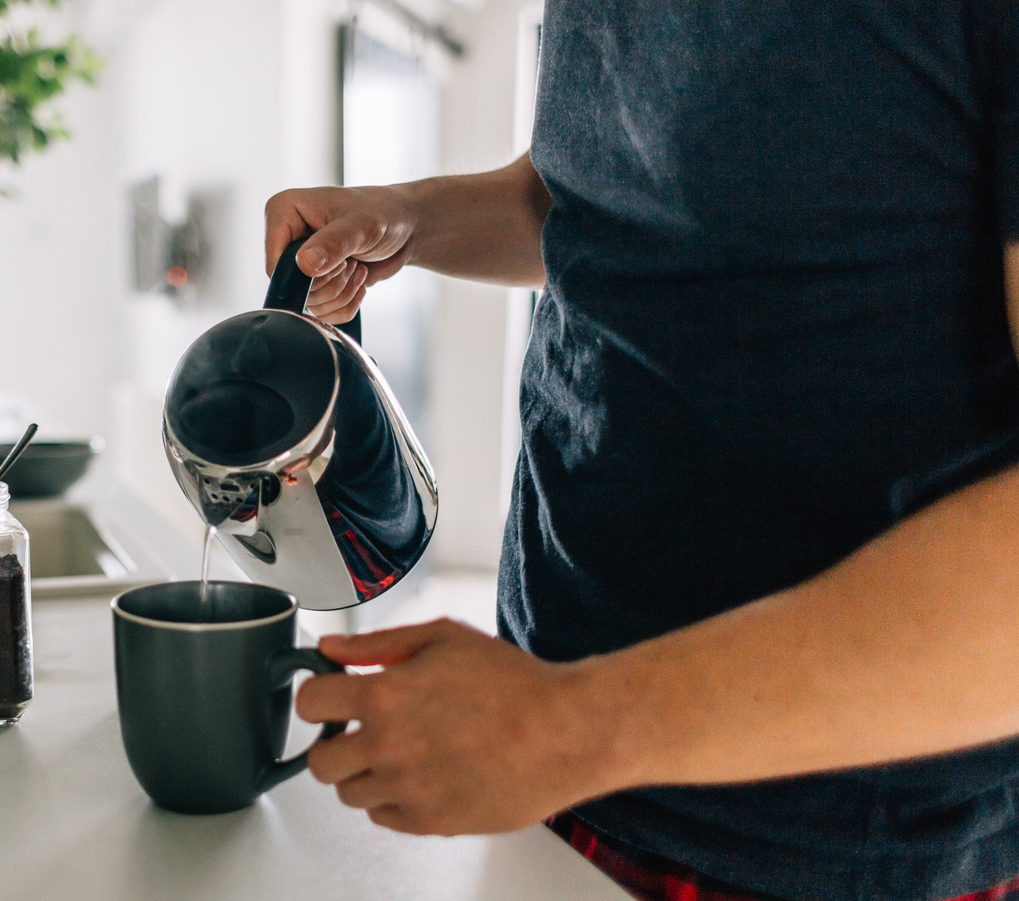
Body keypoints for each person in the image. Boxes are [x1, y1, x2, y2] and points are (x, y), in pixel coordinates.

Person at [265, 3, 1019, 901]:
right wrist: (410, 219)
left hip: (832, 846)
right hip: (561, 758)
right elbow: (589, 194)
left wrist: (567, 726)